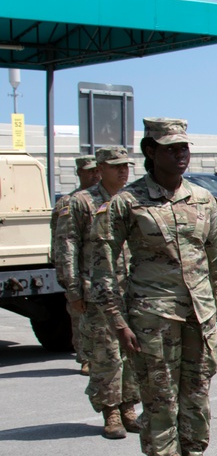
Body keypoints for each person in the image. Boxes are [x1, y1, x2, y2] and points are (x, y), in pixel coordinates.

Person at [91, 118, 217, 456]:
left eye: (184, 146)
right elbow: (101, 264)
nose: (180, 154)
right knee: (159, 403)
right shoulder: (127, 203)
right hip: (152, 317)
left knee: (196, 403)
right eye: (170, 148)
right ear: (150, 151)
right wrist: (116, 320)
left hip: (199, 317)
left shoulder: (204, 200)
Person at [54, 146, 141, 439]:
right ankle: (111, 412)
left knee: (133, 352)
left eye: (126, 166)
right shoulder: (79, 202)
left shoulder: (132, 200)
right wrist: (73, 289)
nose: (123, 171)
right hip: (98, 291)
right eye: (116, 166)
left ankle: (129, 406)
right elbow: (67, 247)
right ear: (100, 169)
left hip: (132, 289)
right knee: (105, 354)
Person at [52, 155, 101, 375]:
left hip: (105, 269)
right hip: (82, 268)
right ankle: (85, 357)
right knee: (80, 314)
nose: (94, 174)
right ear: (79, 173)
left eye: (97, 170)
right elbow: (62, 239)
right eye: (89, 171)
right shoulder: (69, 202)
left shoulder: (108, 199)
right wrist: (64, 271)